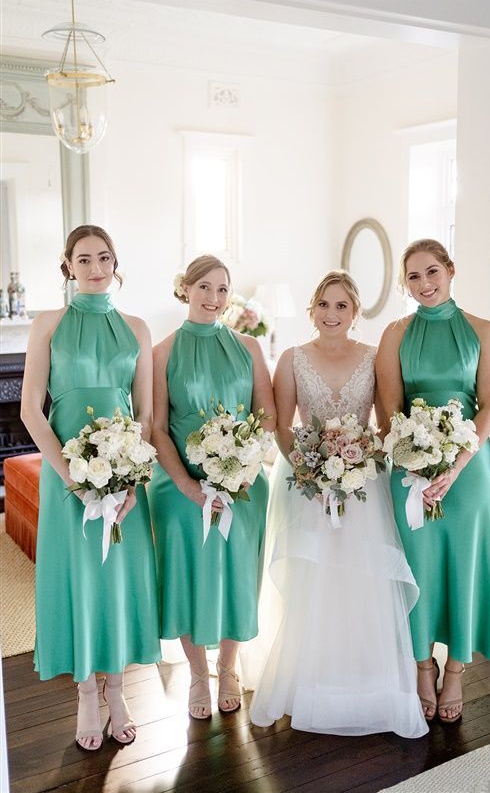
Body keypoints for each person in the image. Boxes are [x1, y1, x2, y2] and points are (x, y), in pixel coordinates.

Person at [249, 271, 427, 738]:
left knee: (358, 578)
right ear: (312, 309)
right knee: (316, 578)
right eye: (324, 305)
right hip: (305, 484)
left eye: (342, 306)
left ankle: (365, 680)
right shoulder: (290, 359)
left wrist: (354, 463)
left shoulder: (374, 358)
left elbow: (387, 424)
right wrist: (311, 467)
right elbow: (282, 426)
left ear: (356, 312)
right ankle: (311, 678)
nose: (332, 314)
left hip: (363, 484)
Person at [20, 225, 161, 750]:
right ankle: (85, 692)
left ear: (115, 263)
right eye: (84, 259)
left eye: (104, 258)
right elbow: (30, 409)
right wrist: (73, 479)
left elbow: (144, 413)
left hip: (124, 480)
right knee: (80, 577)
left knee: (118, 579)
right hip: (67, 481)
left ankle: (119, 690)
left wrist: (127, 481)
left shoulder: (137, 328)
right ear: (68, 266)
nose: (95, 268)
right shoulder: (47, 325)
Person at [376, 238, 490, 724]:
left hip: (468, 471)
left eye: (432, 272)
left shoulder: (482, 331)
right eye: (413, 276)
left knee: (463, 563)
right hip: (408, 468)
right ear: (405, 284)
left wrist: (454, 466)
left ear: (451, 271)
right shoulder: (395, 334)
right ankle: (421, 664)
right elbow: (389, 408)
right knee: (417, 567)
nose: (424, 284)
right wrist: (411, 460)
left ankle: (455, 669)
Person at [147, 255, 276, 720]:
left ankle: (229, 666)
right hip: (179, 484)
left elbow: (267, 416)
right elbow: (157, 428)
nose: (214, 298)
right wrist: (187, 485)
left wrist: (242, 473)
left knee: (238, 573)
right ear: (185, 288)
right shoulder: (161, 352)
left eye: (223, 289)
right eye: (204, 287)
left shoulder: (249, 348)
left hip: (242, 483)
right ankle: (198, 672)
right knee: (185, 572)